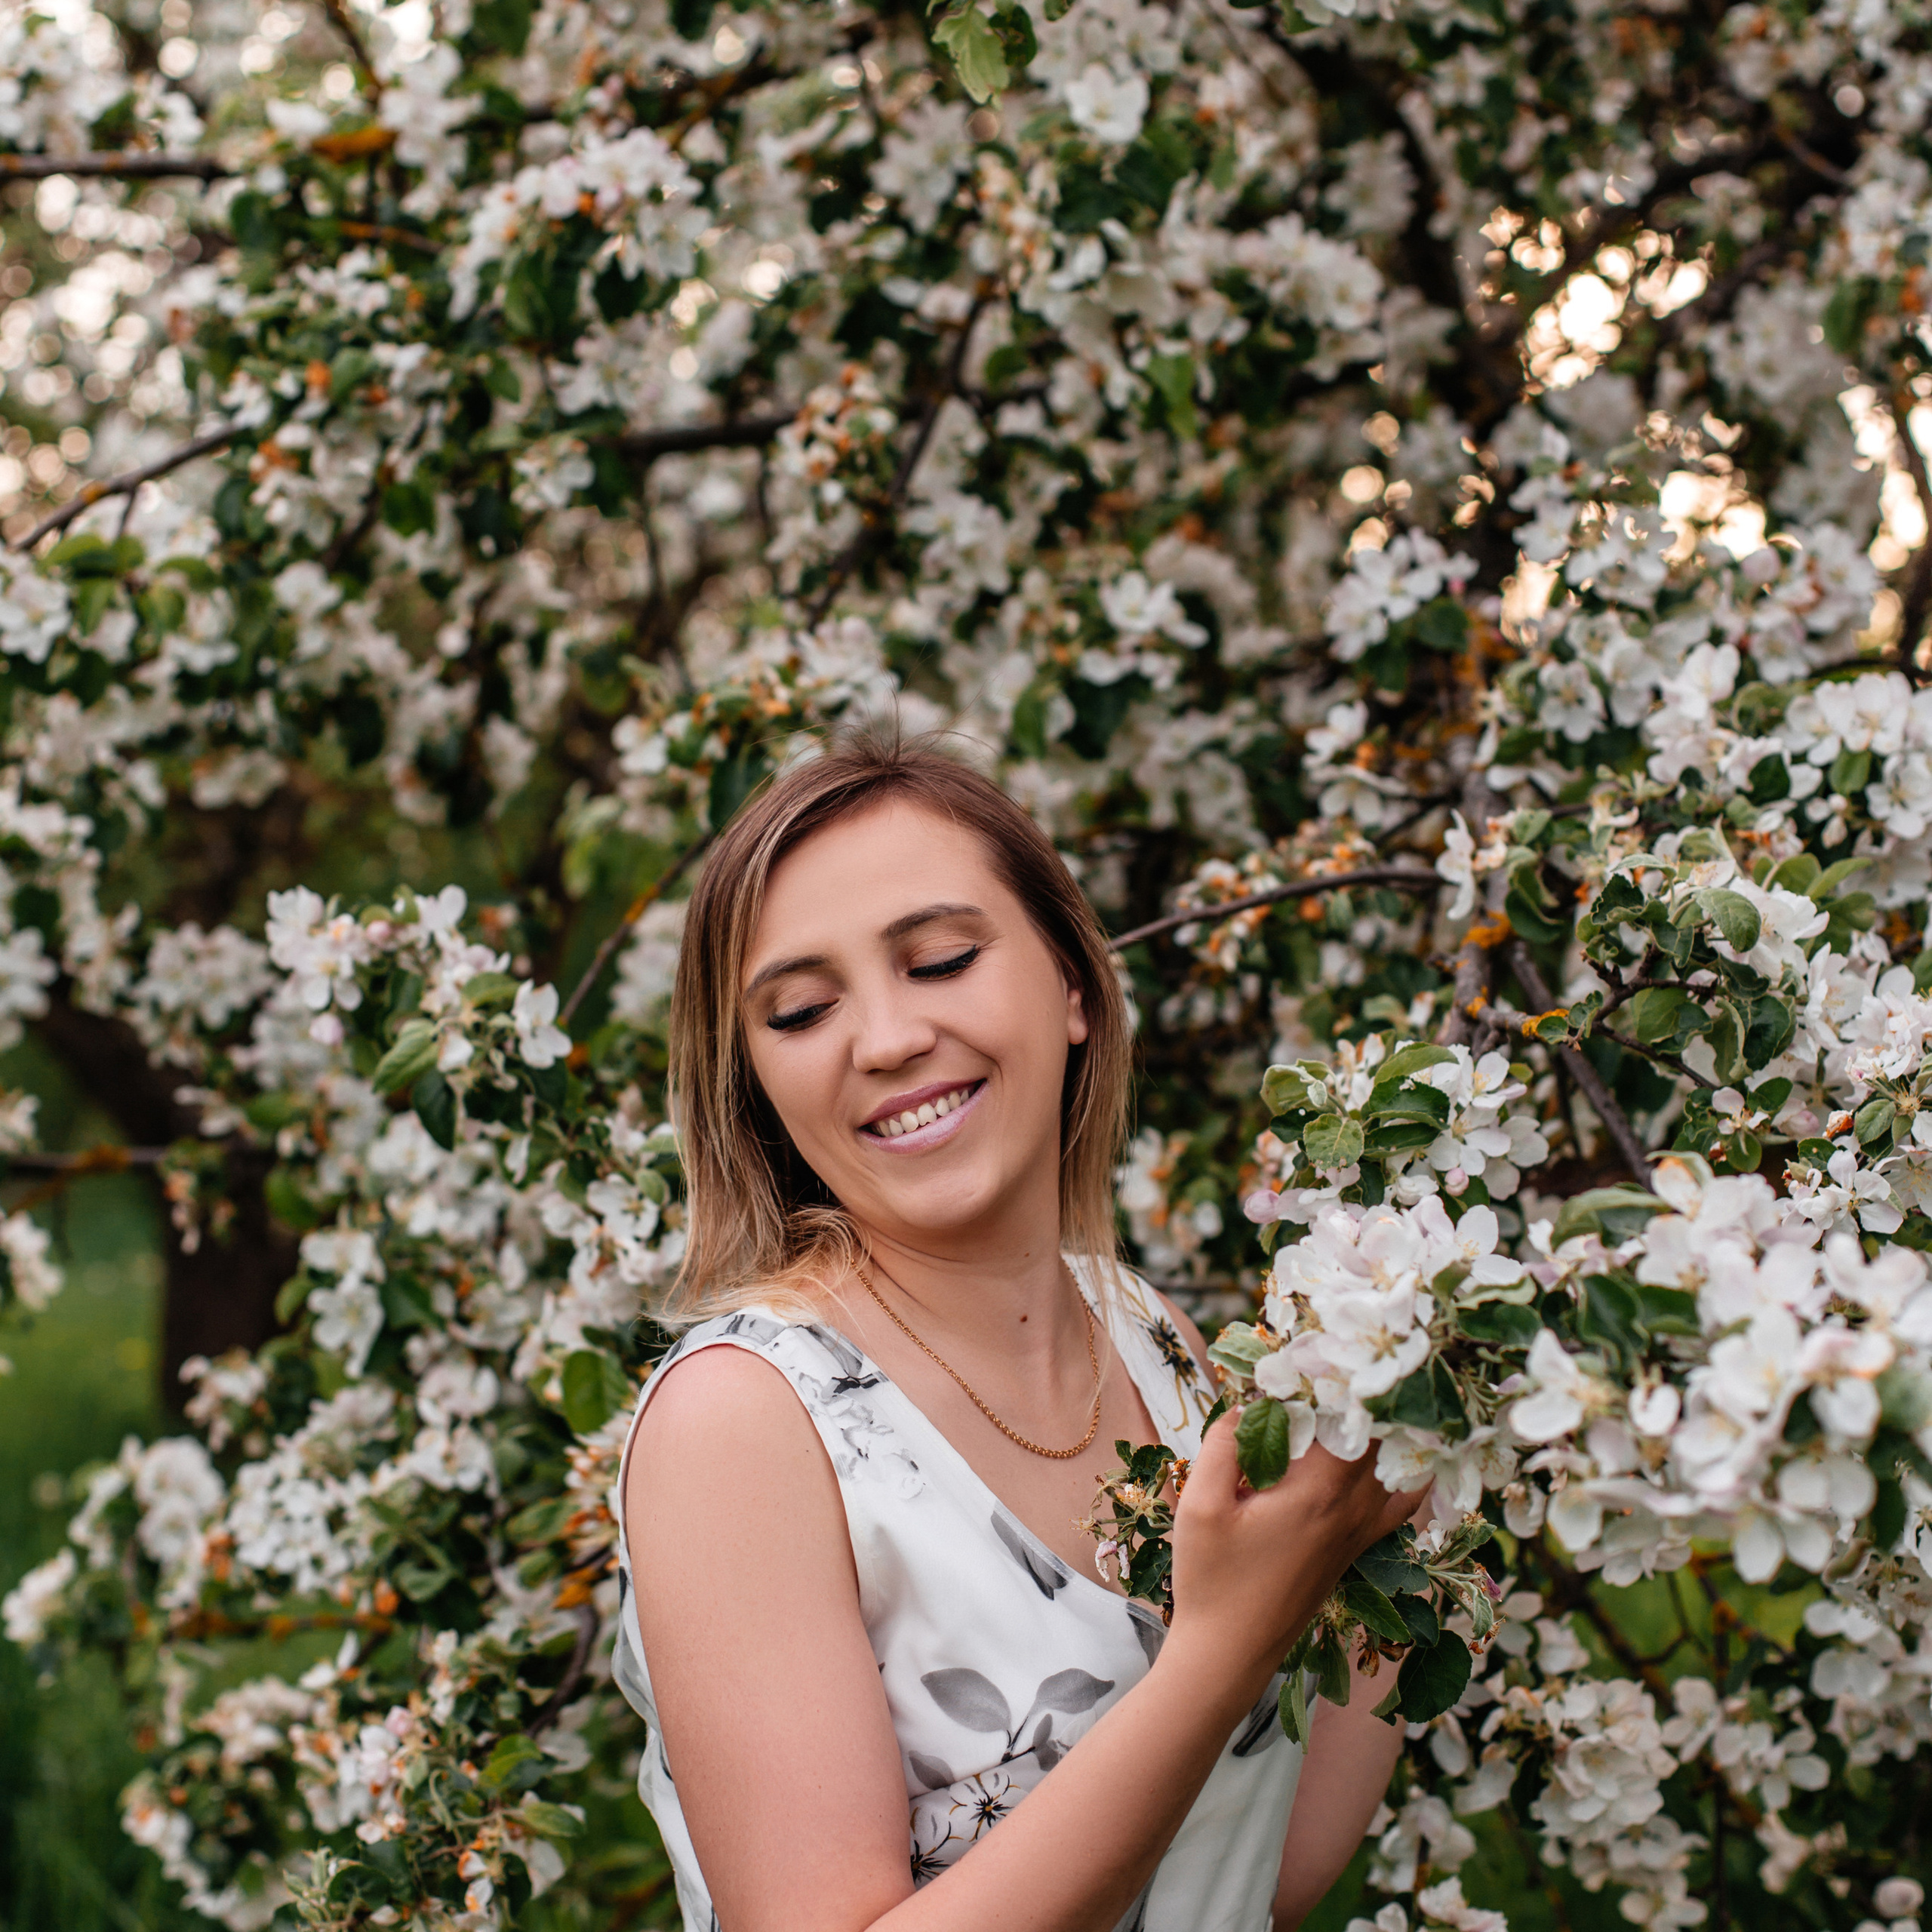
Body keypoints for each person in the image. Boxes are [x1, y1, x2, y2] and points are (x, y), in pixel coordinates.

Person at [613, 734, 1425, 1932]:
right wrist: (1222, 1645)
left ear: (1075, 985)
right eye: (801, 1009)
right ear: (760, 1086)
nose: (884, 1038)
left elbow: (1252, 1875)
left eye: (939, 960)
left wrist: (1415, 1475)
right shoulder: (742, 1427)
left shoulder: (1151, 1341)